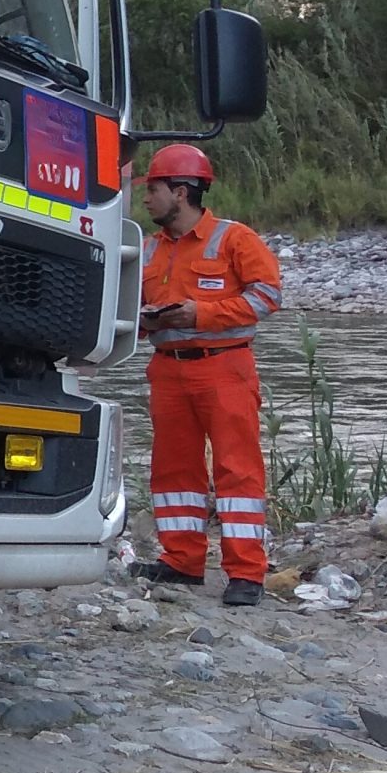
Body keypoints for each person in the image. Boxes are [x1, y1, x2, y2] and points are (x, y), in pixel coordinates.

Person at [136, 143, 283, 606]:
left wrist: (199, 315)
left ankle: (246, 573)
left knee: (237, 470)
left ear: (181, 192)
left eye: (153, 189)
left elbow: (266, 298)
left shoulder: (234, 239)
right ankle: (182, 561)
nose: (146, 198)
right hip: (168, 371)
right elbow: (123, 312)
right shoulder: (145, 250)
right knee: (173, 469)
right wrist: (147, 321)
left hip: (225, 367)